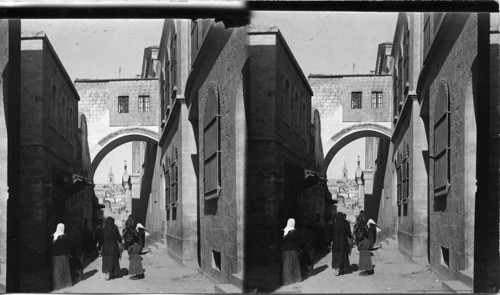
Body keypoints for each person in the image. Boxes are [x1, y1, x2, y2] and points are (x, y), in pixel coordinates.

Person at [51, 223, 72, 290]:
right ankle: (65, 284)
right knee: (64, 270)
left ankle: (57, 285)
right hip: (63, 255)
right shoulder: (65, 236)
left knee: (56, 270)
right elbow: (67, 246)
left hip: (54, 256)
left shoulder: (52, 236)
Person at [281, 218, 302, 285]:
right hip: (293, 249)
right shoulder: (295, 231)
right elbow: (297, 240)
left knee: (286, 265)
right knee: (294, 264)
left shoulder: (283, 231)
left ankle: (287, 280)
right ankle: (296, 279)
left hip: (284, 250)